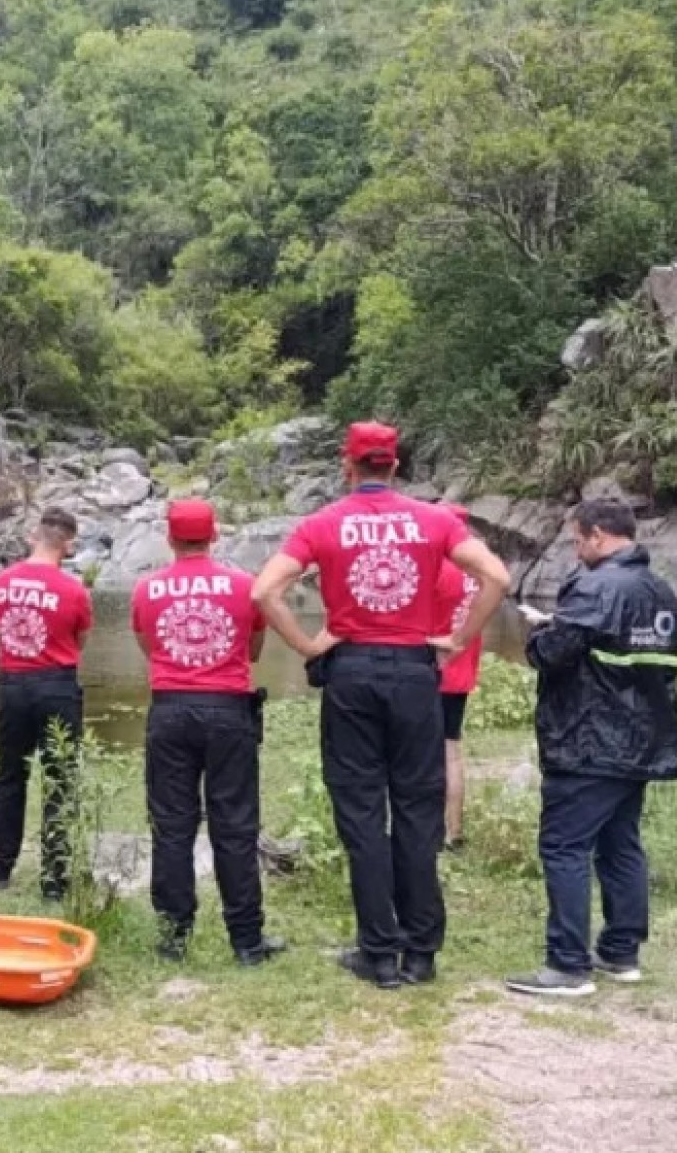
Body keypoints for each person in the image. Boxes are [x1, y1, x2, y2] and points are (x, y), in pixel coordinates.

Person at [253, 423, 510, 989]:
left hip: (352, 672)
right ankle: (421, 952)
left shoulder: (322, 524)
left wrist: (307, 644)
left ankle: (379, 952)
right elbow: (496, 575)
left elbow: (263, 590)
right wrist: (460, 637)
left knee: (362, 815)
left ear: (348, 467)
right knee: (419, 812)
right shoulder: (435, 520)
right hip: (416, 672)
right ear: (394, 467)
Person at [507, 499, 677, 998]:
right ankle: (621, 952)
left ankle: (567, 965)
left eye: (577, 540)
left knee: (565, 847)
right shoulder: (663, 592)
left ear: (599, 537)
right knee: (620, 844)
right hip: (643, 742)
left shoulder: (595, 586)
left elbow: (552, 655)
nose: (575, 549)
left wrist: (541, 628)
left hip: (588, 743)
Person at [130, 500, 283, 966]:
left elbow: (149, 646)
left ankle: (173, 936)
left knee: (172, 826)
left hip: (170, 710)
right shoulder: (244, 586)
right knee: (235, 824)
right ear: (214, 535)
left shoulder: (147, 589)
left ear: (170, 539)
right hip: (228, 710)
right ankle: (247, 941)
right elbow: (254, 649)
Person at [0, 507, 94, 899]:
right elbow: (78, 642)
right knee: (60, 780)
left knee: (10, 775)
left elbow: (2, 627)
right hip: (56, 685)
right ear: (69, 545)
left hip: (13, 684)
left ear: (33, 536)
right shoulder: (74, 591)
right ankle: (54, 878)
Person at [432, 503, 486, 849]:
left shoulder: (436, 567)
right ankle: (454, 831)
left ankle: (430, 831)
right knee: (452, 750)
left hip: (429, 670)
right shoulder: (478, 570)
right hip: (462, 669)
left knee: (421, 755)